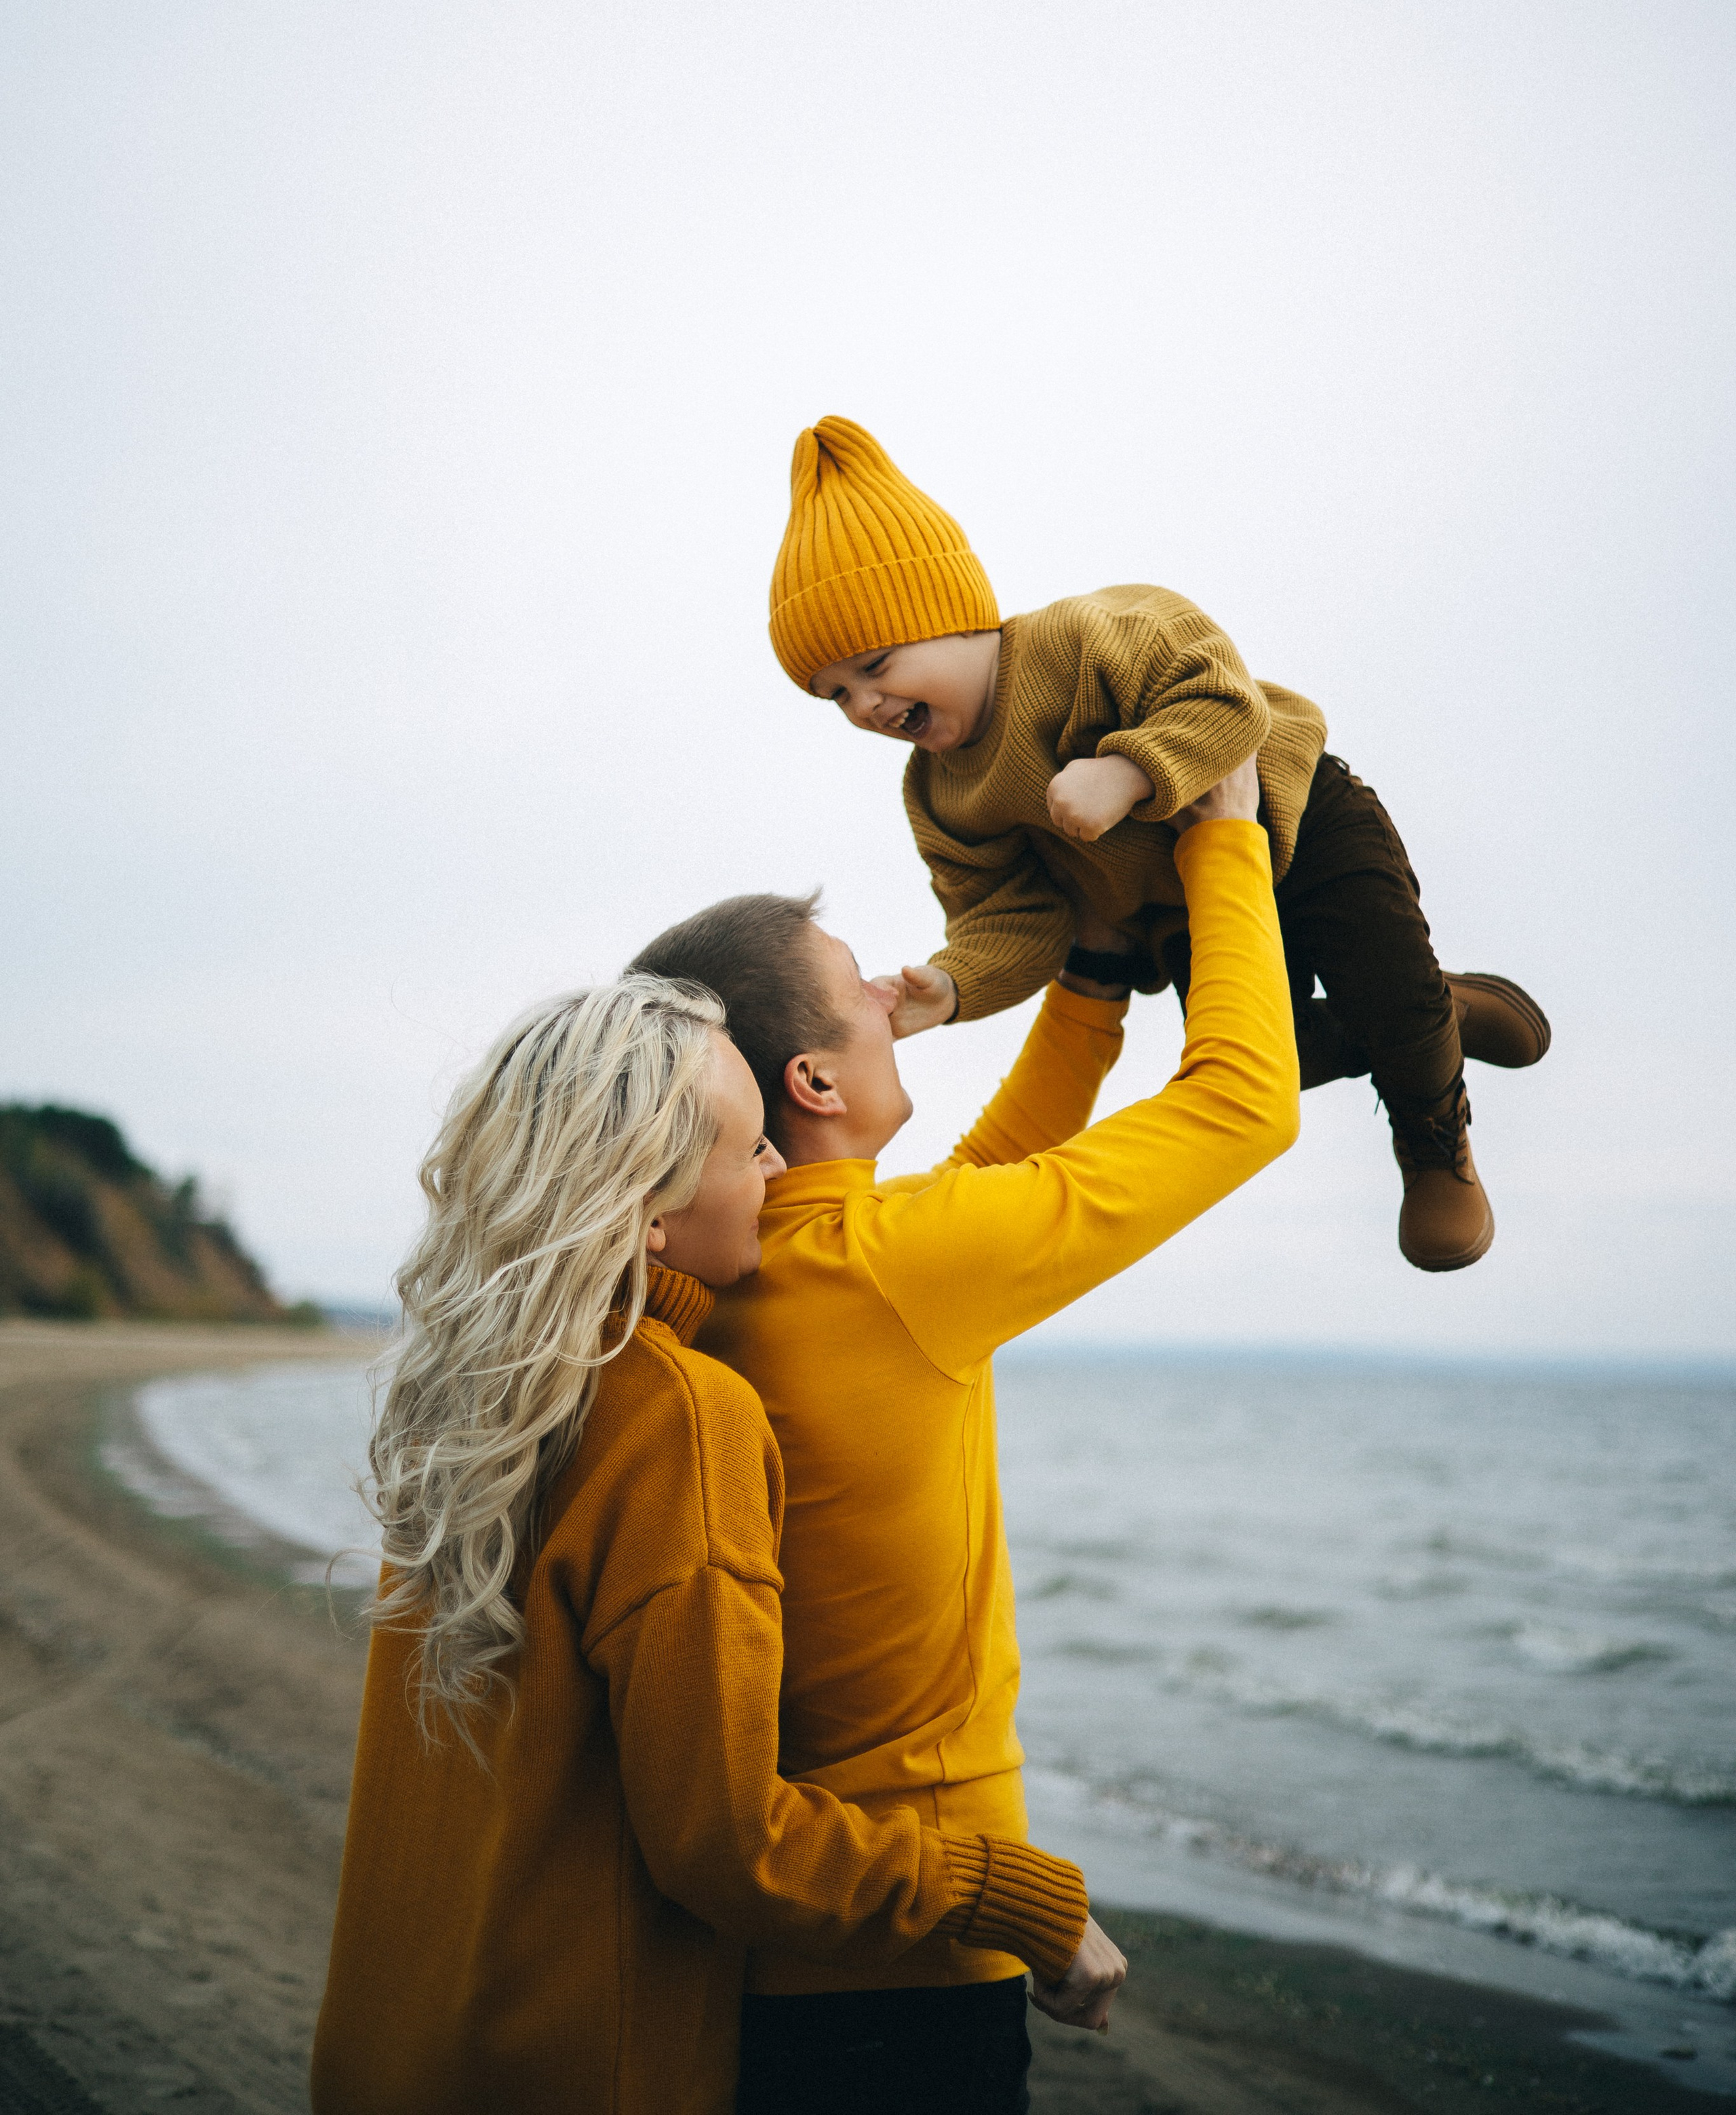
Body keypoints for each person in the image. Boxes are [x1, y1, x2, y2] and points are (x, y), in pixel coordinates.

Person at [310, 978, 1122, 2115]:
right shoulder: (679, 1417)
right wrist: (1014, 1894)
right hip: (579, 2078)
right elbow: (729, 1846)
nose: (781, 1168)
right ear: (649, 1210)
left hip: (392, 2052)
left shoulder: (469, 1402)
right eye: (750, 1148)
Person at [630, 751, 1297, 2112]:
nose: (893, 993)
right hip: (919, 1947)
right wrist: (1225, 840)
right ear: (813, 1082)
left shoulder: (743, 1274)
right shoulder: (897, 1269)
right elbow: (1245, 1104)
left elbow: (988, 1181)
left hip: (778, 1944)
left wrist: (1094, 978)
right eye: (860, 987)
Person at [766, 414, 1551, 1272]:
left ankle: (1434, 1145)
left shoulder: (1087, 637)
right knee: (1275, 1058)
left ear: (955, 616)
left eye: (875, 666)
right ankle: (1434, 1012)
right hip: (1183, 903)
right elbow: (1012, 917)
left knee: (1386, 991)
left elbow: (1227, 699)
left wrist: (1130, 771)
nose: (865, 707)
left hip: (1299, 819)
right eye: (834, 695)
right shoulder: (938, 793)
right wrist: (954, 987)